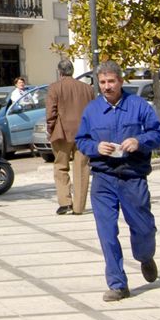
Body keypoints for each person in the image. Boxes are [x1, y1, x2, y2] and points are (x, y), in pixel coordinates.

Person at [75, 61, 160, 303]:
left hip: (133, 176)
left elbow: (157, 134)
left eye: (111, 81)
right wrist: (94, 147)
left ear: (120, 82)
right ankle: (117, 283)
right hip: (103, 178)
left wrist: (139, 141)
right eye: (102, 82)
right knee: (107, 232)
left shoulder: (138, 105)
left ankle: (145, 256)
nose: (106, 87)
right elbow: (80, 140)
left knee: (143, 227)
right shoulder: (92, 111)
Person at [44, 60, 92, 216]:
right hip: (83, 133)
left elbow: (51, 113)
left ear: (60, 72)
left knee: (60, 166)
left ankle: (65, 203)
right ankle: (79, 206)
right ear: (73, 70)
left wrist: (50, 129)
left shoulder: (55, 88)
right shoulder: (87, 89)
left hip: (62, 132)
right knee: (81, 168)